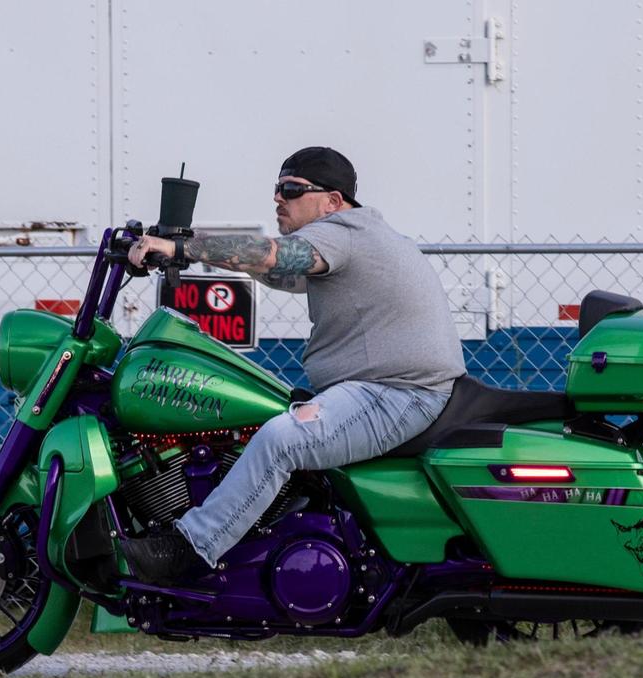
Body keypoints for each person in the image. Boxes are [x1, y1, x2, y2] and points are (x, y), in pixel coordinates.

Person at [123, 146, 466, 580]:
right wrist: (186, 249)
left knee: (280, 439)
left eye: (292, 190)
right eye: (277, 189)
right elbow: (274, 269)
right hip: (386, 389)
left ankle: (190, 549)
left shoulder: (344, 231)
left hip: (398, 394)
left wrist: (182, 247)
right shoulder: (353, 239)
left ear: (332, 201)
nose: (278, 199)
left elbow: (273, 256)